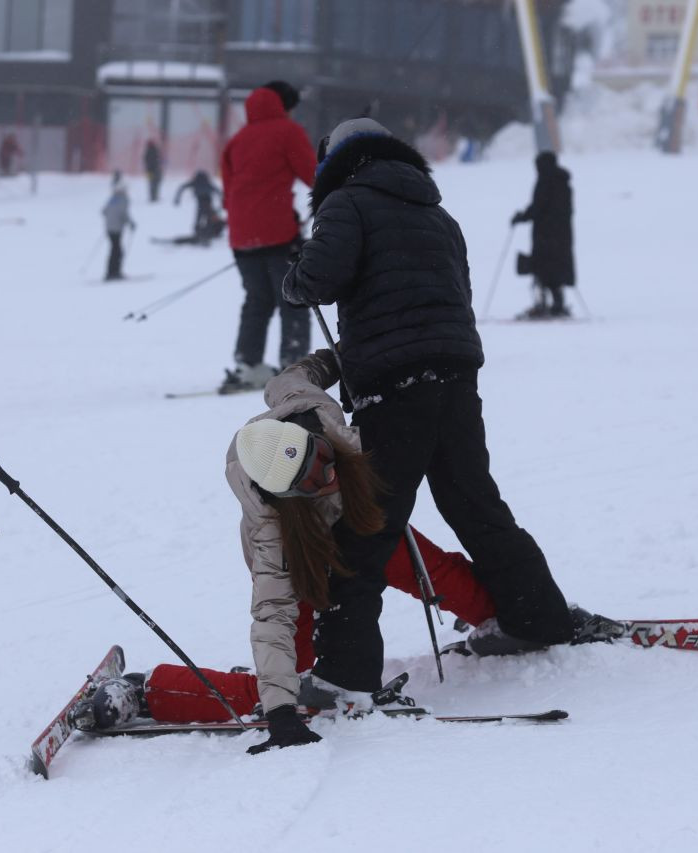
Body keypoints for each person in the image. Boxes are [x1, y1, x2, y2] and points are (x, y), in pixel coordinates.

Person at [281, 118, 622, 717]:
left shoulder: (346, 203)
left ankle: (343, 675)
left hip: (393, 386)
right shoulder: (439, 216)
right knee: (474, 503)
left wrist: (297, 270)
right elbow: (452, 297)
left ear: (334, 161)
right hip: (456, 379)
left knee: (365, 526)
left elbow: (319, 279)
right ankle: (536, 616)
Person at [71, 350, 534, 753]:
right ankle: (151, 691)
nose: (328, 478)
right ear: (286, 496)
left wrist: (341, 359)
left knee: (424, 564)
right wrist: (280, 712)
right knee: (296, 690)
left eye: (324, 462)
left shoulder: (313, 409)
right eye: (312, 485)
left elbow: (295, 375)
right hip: (307, 558)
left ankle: (502, 617)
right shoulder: (271, 525)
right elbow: (272, 613)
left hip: (360, 525)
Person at [218, 80, 317, 393]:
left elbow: (228, 191)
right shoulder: (287, 131)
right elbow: (313, 175)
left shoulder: (236, 141)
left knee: (257, 300)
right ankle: (295, 364)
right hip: (278, 233)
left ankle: (248, 364)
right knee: (293, 298)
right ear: (285, 105)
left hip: (241, 238)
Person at [511, 151, 575, 319]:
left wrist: (521, 217)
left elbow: (538, 207)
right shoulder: (564, 183)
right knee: (556, 270)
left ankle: (542, 304)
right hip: (562, 235)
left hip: (545, 236)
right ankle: (557, 304)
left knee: (542, 269)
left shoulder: (545, 182)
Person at [173, 169, 223, 244]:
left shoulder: (195, 182)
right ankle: (206, 234)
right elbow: (218, 191)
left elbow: (182, 187)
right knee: (208, 218)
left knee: (199, 217)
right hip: (207, 203)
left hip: (200, 203)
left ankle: (199, 234)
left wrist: (177, 199)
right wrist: (223, 201)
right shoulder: (207, 183)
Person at [101, 174, 136, 281]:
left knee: (114, 250)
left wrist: (110, 220)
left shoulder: (112, 198)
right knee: (117, 251)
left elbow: (104, 211)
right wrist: (131, 223)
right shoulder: (123, 199)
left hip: (109, 228)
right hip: (116, 229)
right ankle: (114, 272)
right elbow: (123, 213)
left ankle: (111, 272)